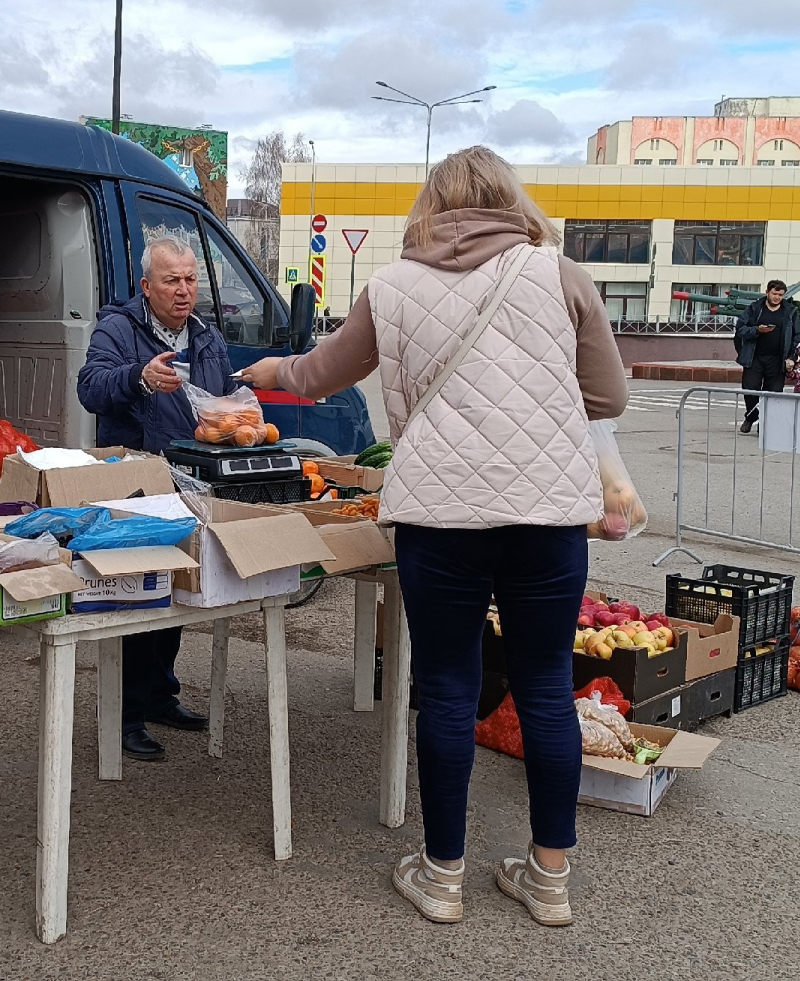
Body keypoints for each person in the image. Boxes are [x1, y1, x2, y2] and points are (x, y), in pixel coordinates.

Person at [242, 147, 627, 927]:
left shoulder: (391, 285)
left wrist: (270, 369)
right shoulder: (560, 273)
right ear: (508, 197)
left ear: (433, 202)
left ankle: (442, 875)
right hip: (548, 513)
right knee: (547, 688)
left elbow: (318, 376)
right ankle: (549, 880)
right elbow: (609, 395)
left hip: (439, 519)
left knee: (447, 687)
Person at [75, 235, 236, 762]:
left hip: (190, 483)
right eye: (172, 281)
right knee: (137, 597)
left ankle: (162, 695)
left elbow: (216, 404)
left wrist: (237, 416)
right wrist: (139, 377)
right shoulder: (119, 328)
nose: (184, 290)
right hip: (136, 486)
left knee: (176, 594)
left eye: (190, 280)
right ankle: (125, 716)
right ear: (148, 286)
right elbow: (91, 387)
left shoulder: (206, 338)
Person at [734, 280, 800, 434]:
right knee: (750, 390)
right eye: (774, 293)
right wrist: (757, 330)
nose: (777, 297)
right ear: (767, 292)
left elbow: (797, 336)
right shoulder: (755, 308)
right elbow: (740, 329)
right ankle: (751, 417)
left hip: (778, 360)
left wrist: (792, 357)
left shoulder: (790, 311)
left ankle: (765, 423)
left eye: (780, 295)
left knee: (773, 393)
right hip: (754, 357)